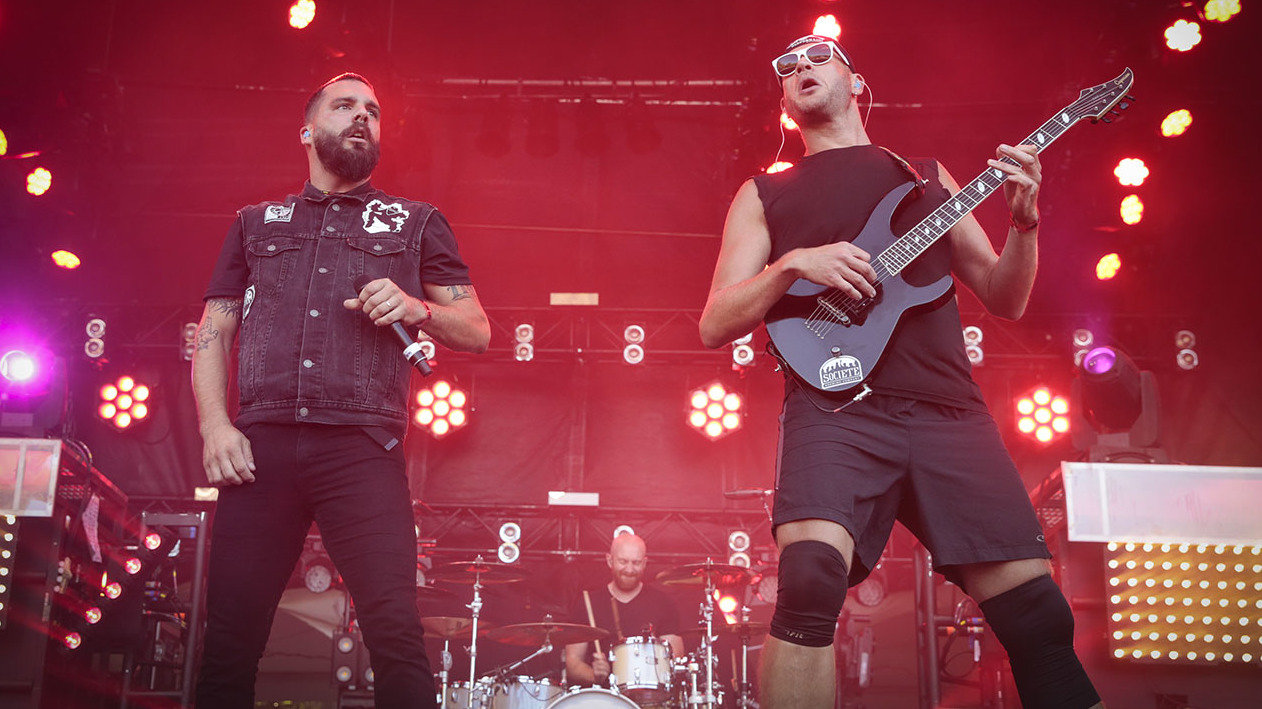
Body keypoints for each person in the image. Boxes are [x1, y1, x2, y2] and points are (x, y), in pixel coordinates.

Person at [698, 36, 1104, 709]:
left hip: (948, 408)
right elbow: (715, 320)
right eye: (786, 67)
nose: (799, 68)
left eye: (817, 57)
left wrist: (1025, 225)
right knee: (807, 584)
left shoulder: (925, 177)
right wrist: (793, 266)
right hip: (835, 409)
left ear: (859, 84)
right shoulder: (762, 193)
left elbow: (1006, 297)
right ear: (784, 103)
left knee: (1038, 616)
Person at [192, 73, 490, 709]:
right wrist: (216, 426)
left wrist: (417, 307)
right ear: (307, 131)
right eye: (345, 106)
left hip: (361, 447)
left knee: (396, 634)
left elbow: (478, 330)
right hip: (260, 449)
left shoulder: (416, 221)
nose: (363, 117)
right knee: (228, 644)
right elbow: (212, 334)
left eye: (374, 111)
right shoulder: (253, 223)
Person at [564, 533, 684, 690]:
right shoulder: (588, 603)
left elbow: (676, 657)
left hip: (650, 699)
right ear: (609, 560)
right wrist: (594, 675)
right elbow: (572, 662)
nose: (629, 569)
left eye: (636, 563)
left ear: (645, 563)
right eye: (623, 561)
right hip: (602, 698)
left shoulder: (663, 603)